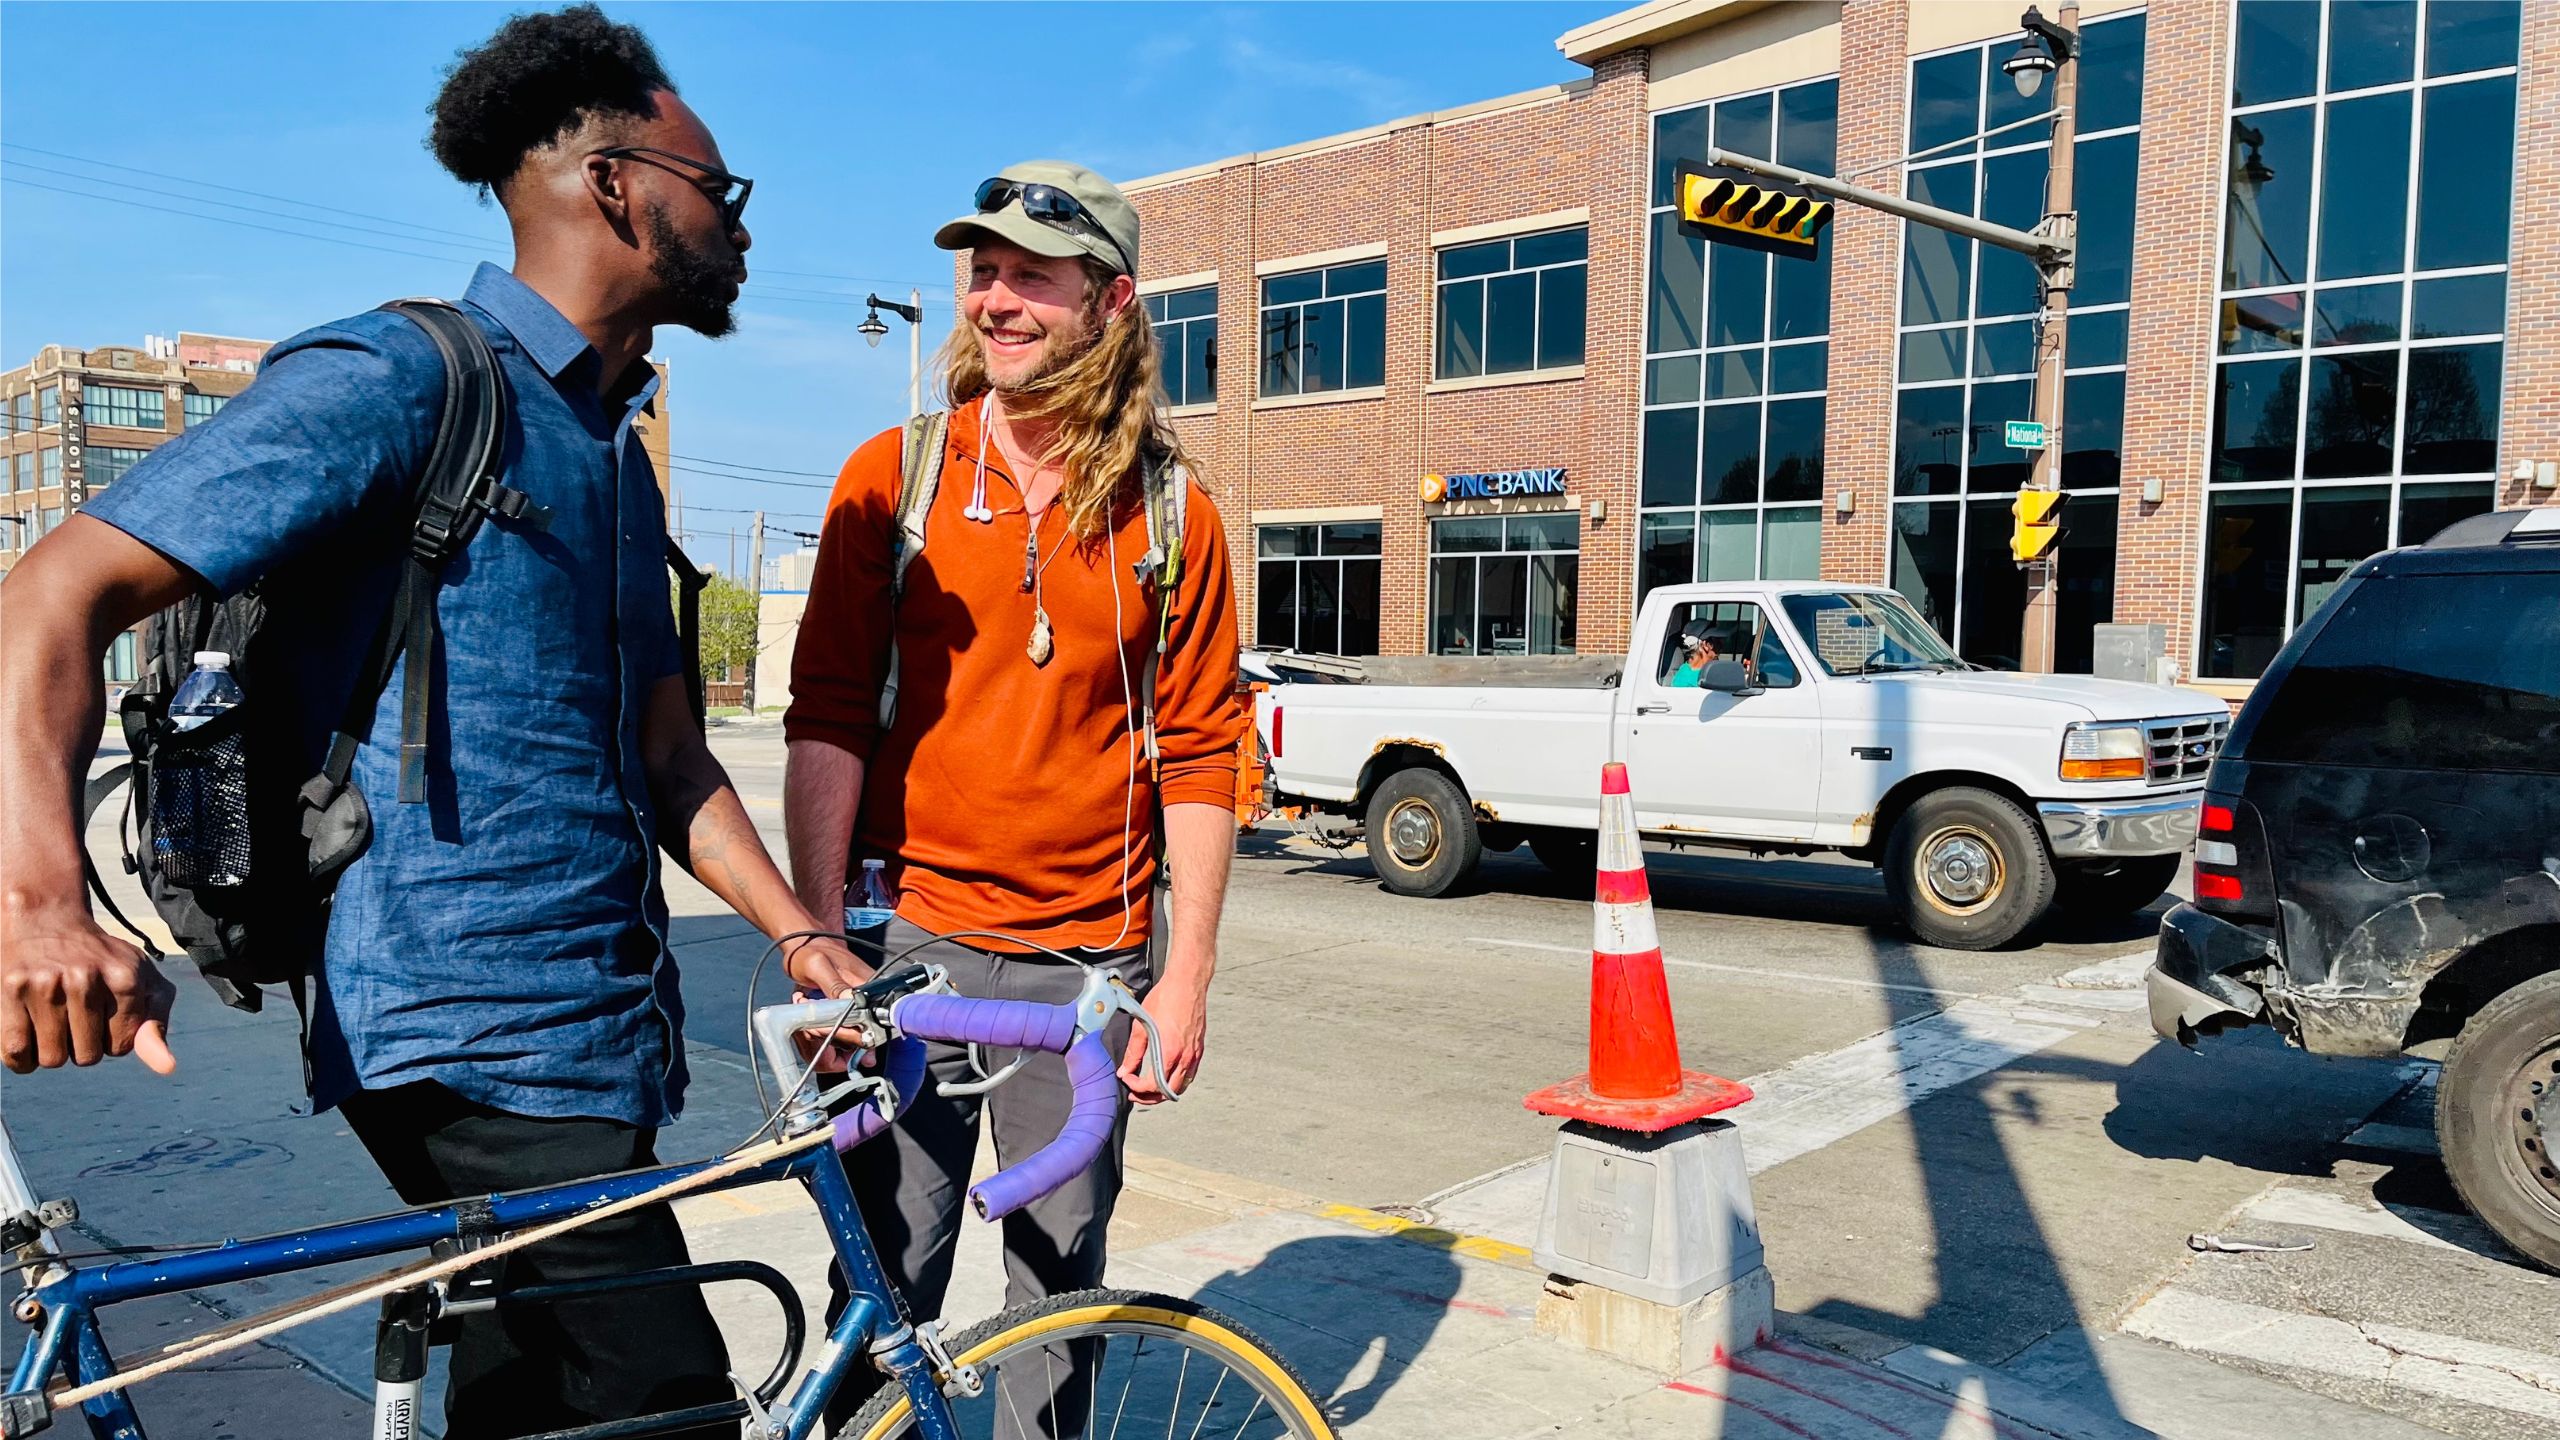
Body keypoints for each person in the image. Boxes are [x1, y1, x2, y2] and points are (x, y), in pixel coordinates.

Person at [0, 10, 866, 1436]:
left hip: (596, 1034)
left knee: (529, 1399)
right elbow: (52, 589)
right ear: (615, 184)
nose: (737, 224)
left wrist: (795, 931)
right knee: (669, 1402)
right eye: (719, 188)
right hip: (458, 1027)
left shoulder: (606, 455)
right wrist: (36, 904)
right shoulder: (404, 380)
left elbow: (669, 756)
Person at [783, 160, 1244, 1418]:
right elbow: (824, 716)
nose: (993, 300)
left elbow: (1205, 750)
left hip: (1084, 966)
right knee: (881, 1284)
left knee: (1054, 1296)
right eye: (981, 273)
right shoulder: (895, 475)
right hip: (907, 952)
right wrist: (815, 938)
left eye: (1028, 277)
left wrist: (1186, 976)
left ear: (1110, 301)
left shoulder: (1172, 511)